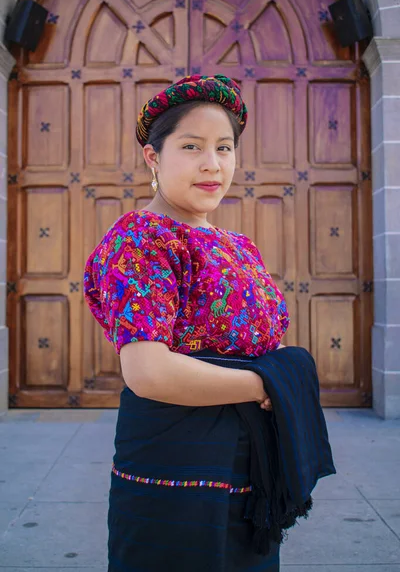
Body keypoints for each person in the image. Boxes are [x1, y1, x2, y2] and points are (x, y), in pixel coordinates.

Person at [84, 74, 291, 571]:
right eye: (192, 146)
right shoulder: (141, 239)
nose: (211, 164)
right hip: (176, 463)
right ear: (153, 158)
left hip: (250, 465)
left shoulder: (238, 245)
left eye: (224, 148)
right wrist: (263, 384)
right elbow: (148, 372)